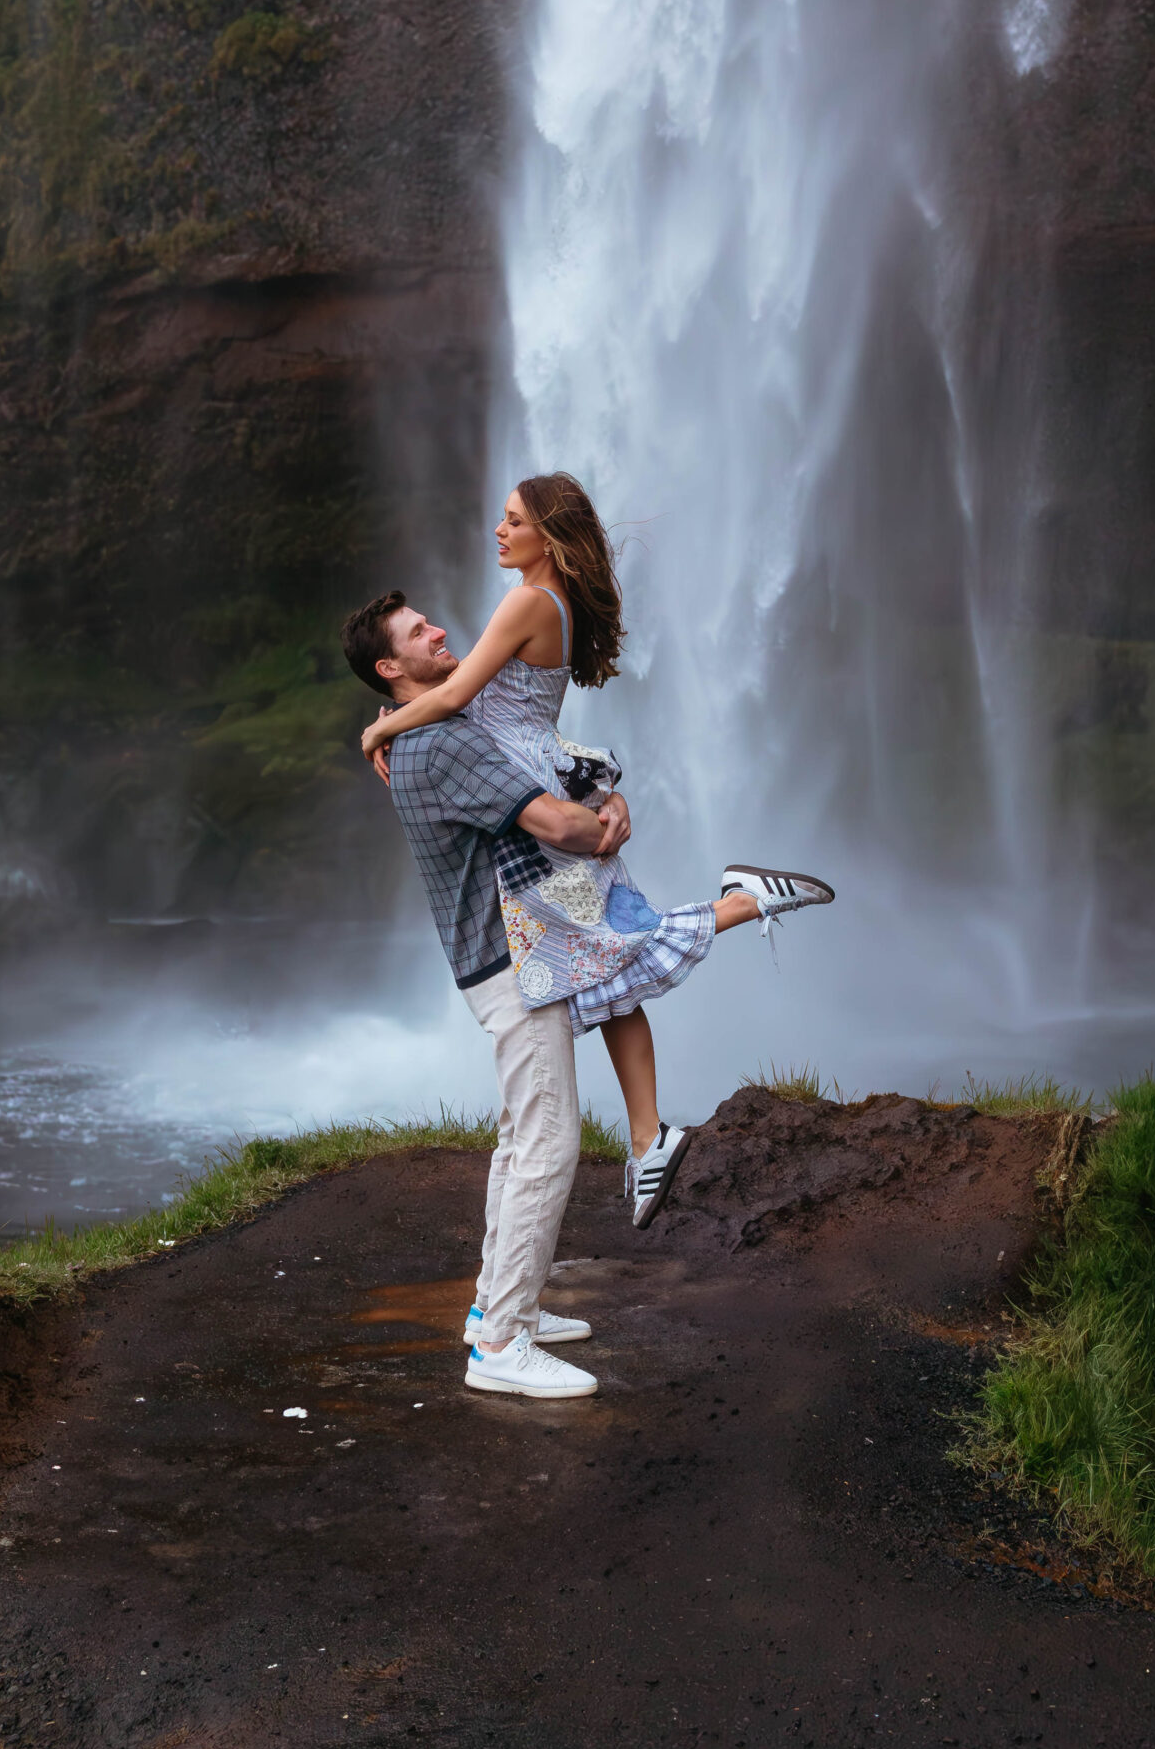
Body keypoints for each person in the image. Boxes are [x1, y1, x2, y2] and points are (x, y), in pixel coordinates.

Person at [348, 471, 833, 1229]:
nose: (498, 533)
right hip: (546, 770)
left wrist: (378, 728)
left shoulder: (527, 603)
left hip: (532, 796)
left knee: (618, 948)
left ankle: (745, 899)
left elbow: (448, 698)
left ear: (548, 534)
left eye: (512, 522)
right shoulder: (558, 605)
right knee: (610, 967)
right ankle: (648, 1139)